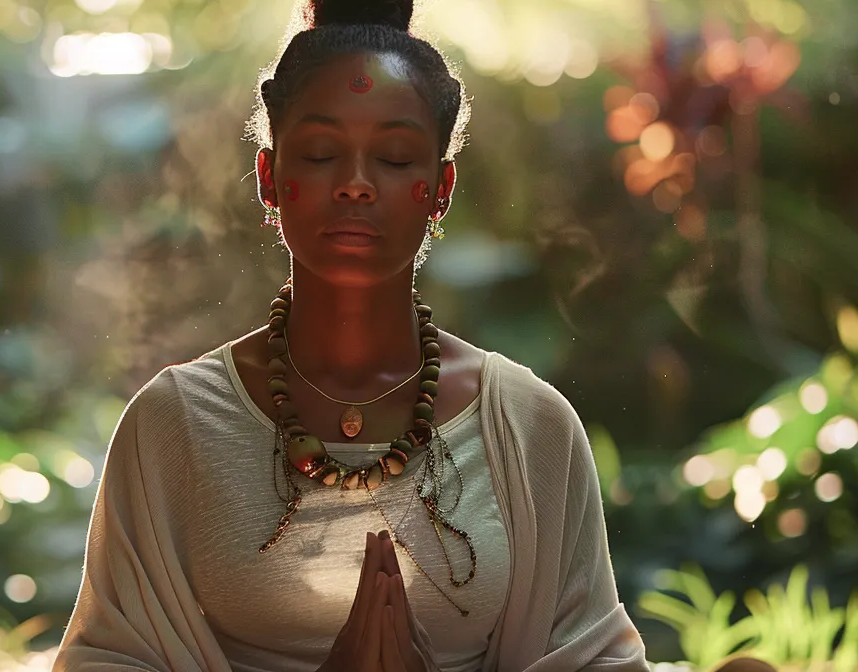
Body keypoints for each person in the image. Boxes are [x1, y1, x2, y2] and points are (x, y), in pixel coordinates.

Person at [52, 0, 649, 670]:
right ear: (270, 178)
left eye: (394, 158)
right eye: (321, 153)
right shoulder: (174, 424)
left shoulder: (530, 427)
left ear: (440, 188)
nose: (357, 186)